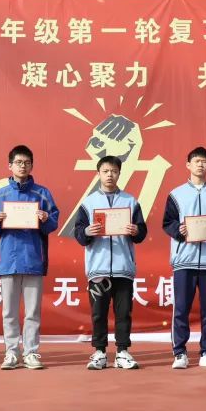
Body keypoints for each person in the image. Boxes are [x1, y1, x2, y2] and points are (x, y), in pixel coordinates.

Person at [0, 145, 60, 370]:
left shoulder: (42, 193)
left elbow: (53, 223)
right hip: (8, 260)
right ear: (10, 166)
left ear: (32, 165)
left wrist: (45, 218)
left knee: (32, 312)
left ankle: (31, 352)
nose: (23, 166)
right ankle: (11, 352)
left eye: (27, 162)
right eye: (18, 162)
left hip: (33, 258)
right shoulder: (1, 195)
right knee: (9, 311)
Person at [72, 156, 148, 370]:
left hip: (124, 268)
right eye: (105, 171)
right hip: (99, 269)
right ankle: (99, 352)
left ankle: (122, 352)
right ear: (98, 174)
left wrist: (136, 230)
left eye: (114, 171)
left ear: (119, 174)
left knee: (123, 312)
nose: (109, 175)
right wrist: (87, 231)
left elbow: (142, 232)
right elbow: (78, 233)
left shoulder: (131, 201)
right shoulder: (88, 203)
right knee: (99, 312)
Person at [161, 146, 206, 370]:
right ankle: (179, 353)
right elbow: (167, 222)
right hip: (184, 259)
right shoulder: (176, 194)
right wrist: (179, 230)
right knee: (181, 309)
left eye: (204, 161)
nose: (200, 165)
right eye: (196, 161)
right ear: (188, 165)